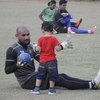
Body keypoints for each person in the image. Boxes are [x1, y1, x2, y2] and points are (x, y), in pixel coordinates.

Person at [5, 26, 100, 92]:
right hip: (26, 81)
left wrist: (59, 48)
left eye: (28, 34)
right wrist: (17, 65)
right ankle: (91, 85)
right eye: (23, 35)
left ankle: (91, 82)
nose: (27, 37)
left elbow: (42, 59)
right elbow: (7, 70)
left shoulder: (30, 47)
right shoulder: (12, 50)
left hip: (35, 75)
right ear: (17, 36)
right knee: (59, 80)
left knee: (61, 75)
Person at [32, 22, 63, 94]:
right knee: (52, 75)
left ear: (43, 31)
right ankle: (51, 89)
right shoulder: (54, 39)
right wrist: (61, 46)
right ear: (52, 30)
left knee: (40, 75)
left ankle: (36, 89)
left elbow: (37, 49)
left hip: (42, 61)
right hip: (52, 60)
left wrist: (35, 48)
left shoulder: (40, 39)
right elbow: (58, 49)